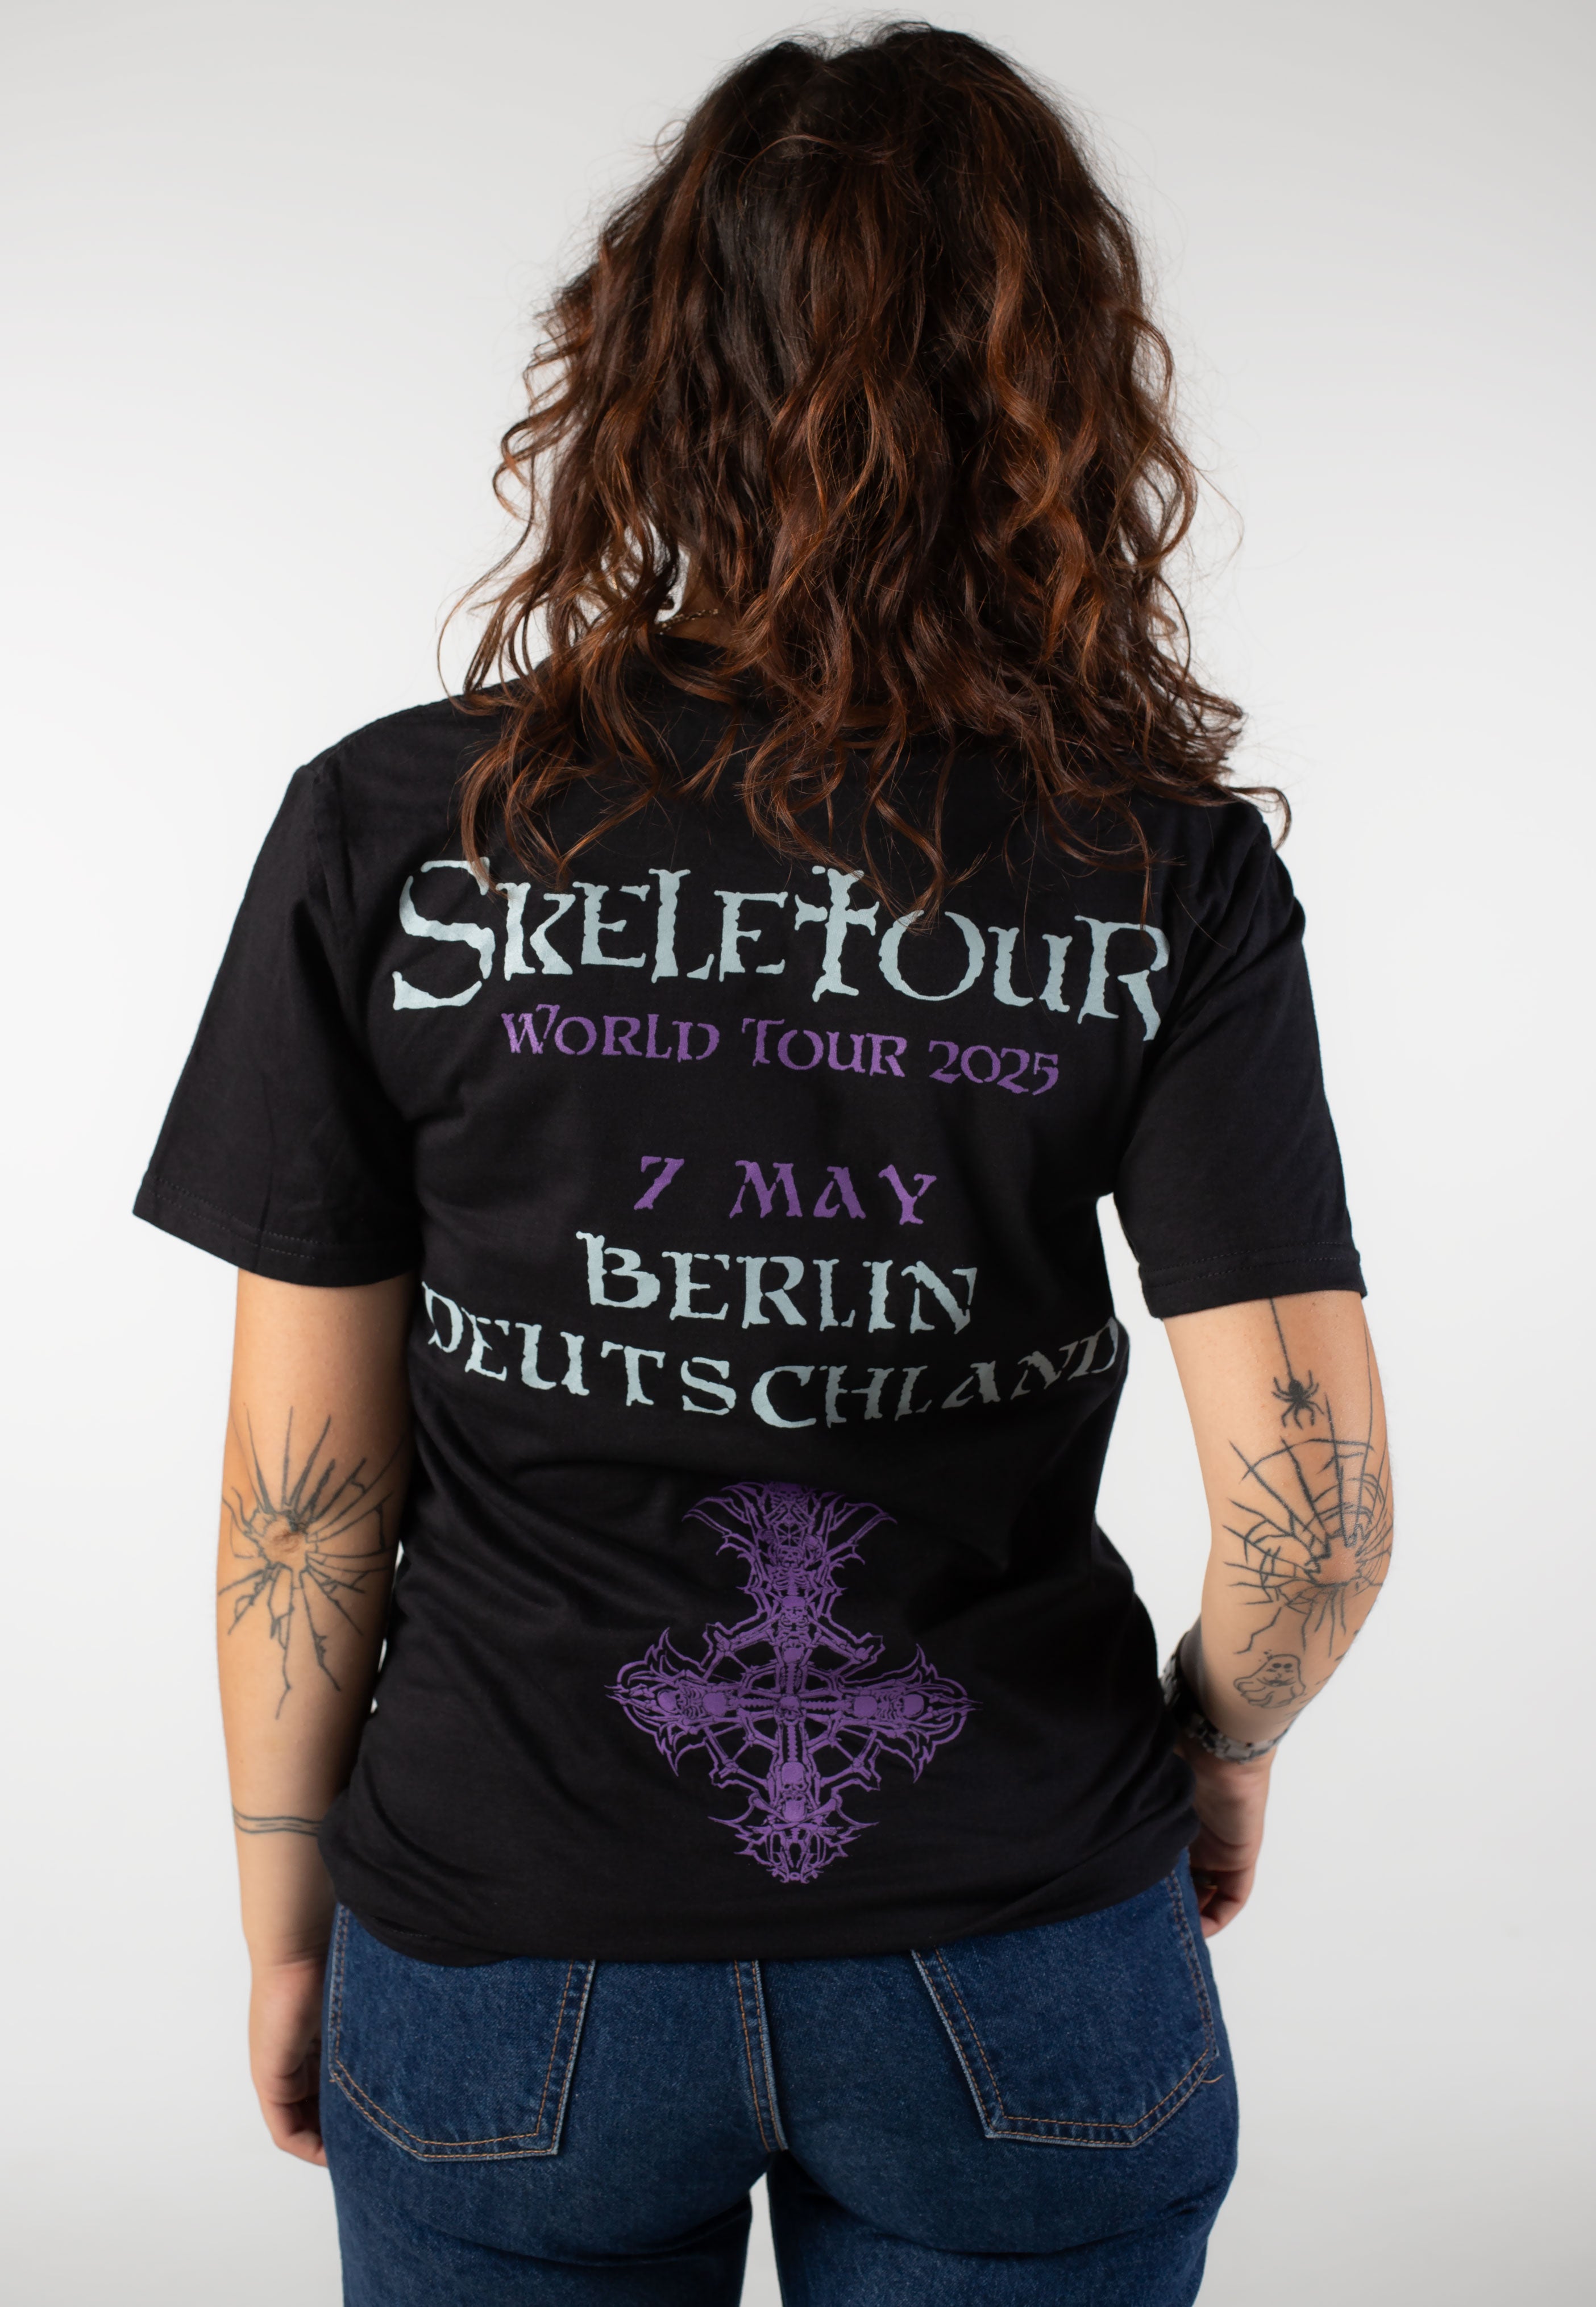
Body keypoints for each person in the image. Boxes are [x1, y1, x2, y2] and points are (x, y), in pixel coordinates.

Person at [136, 23, 1391, 2305]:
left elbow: (294, 1494)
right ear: (1060, 396)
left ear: (643, 375)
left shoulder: (401, 830)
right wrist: (1219, 1752)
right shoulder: (1156, 866)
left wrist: (282, 1902)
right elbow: (1321, 1514)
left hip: (504, 1942)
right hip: (1020, 1934)